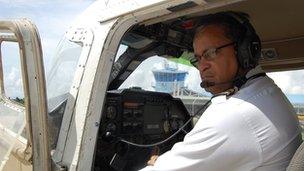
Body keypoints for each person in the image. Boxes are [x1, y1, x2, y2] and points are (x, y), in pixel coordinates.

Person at [140, 11, 302, 171]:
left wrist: (159, 162)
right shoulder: (269, 92)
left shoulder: (235, 113)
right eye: (198, 58)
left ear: (244, 51)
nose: (202, 66)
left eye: (210, 53)